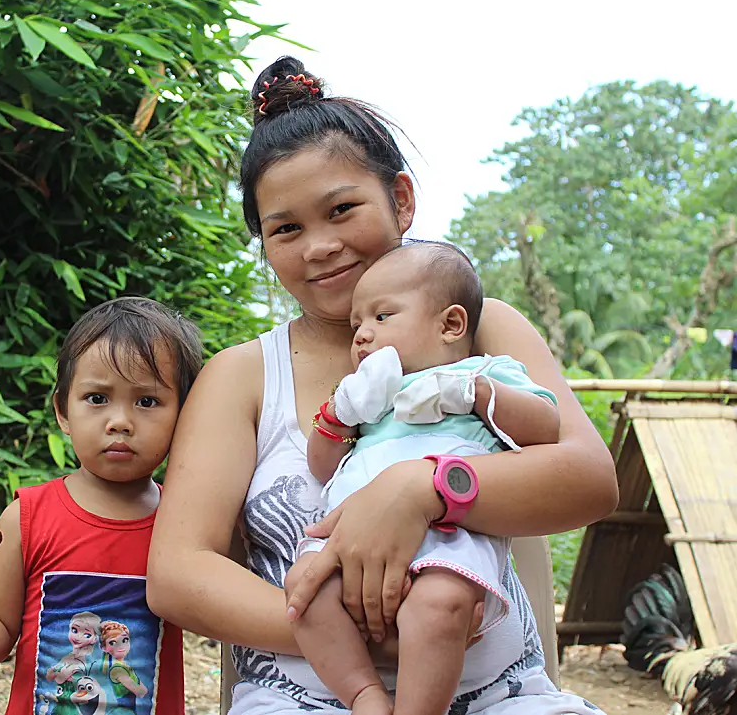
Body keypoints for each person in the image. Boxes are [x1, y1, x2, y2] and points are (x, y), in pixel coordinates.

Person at [146, 56, 618, 715]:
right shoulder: (244, 376)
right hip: (303, 691)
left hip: (499, 693)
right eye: (286, 228)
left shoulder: (480, 329)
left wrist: (423, 489)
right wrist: (361, 633)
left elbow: (590, 478)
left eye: (342, 209)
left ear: (399, 199)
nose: (319, 246)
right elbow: (177, 574)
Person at [286, 241, 562, 715]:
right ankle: (364, 694)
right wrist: (339, 411)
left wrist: (473, 392)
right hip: (351, 532)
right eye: (357, 324)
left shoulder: (485, 370)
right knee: (305, 590)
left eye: (381, 317)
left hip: (451, 534)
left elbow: (546, 428)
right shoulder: (370, 395)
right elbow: (321, 464)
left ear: (451, 324)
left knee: (441, 606)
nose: (362, 335)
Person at [0, 297, 202, 715]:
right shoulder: (27, 517)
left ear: (184, 416)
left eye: (147, 402)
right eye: (97, 399)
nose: (120, 421)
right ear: (63, 410)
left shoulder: (187, 521)